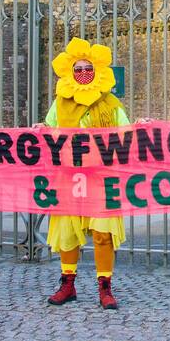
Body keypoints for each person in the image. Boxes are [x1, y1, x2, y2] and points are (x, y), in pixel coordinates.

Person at [35, 37, 151, 310]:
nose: (83, 73)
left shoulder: (111, 105)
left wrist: (140, 128)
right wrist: (40, 129)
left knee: (102, 233)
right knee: (67, 234)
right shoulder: (60, 104)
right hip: (69, 177)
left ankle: (105, 287)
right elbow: (50, 131)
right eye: (78, 69)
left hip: (101, 178)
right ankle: (68, 284)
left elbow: (124, 134)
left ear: (98, 72)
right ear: (70, 72)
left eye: (89, 68)